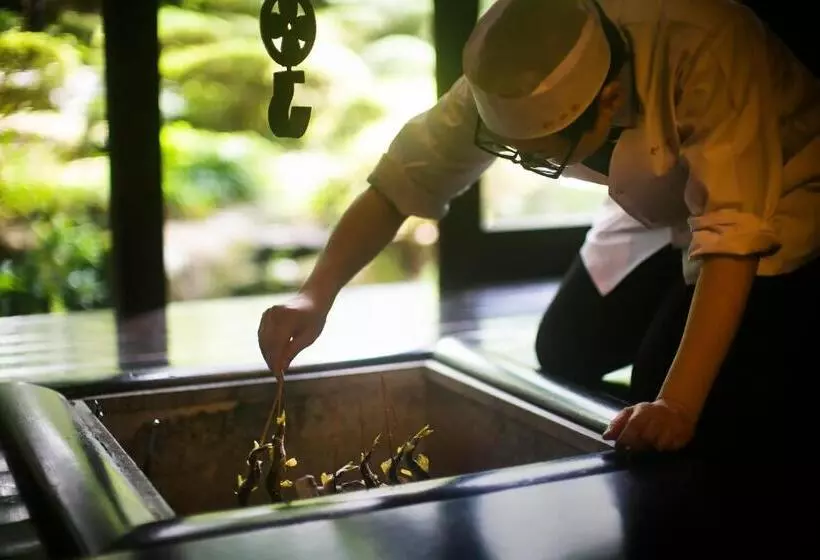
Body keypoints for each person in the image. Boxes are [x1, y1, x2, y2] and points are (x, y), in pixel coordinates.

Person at [259, 0, 820, 455]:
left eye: (544, 156)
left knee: (664, 393)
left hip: (781, 185)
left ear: (608, 106)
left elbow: (731, 233)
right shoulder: (515, 65)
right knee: (565, 348)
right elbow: (402, 181)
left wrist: (674, 406)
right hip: (655, 197)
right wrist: (315, 296)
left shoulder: (705, 40)